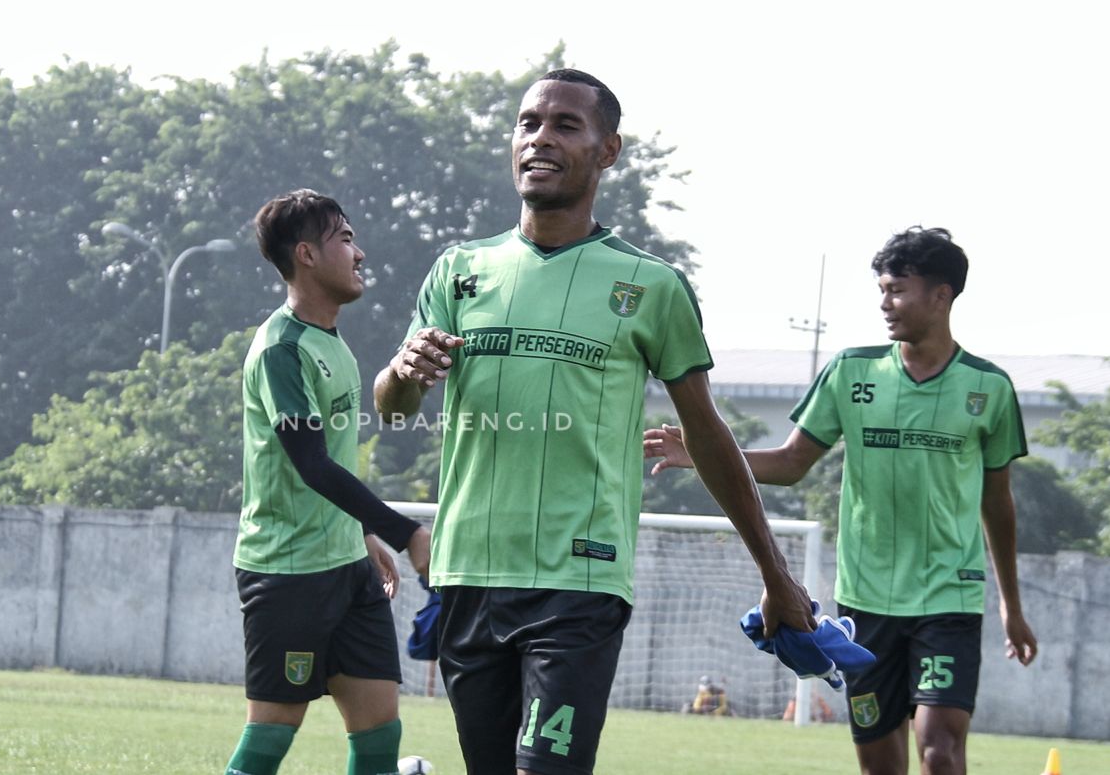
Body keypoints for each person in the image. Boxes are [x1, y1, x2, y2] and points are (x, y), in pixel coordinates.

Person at [373, 69, 814, 775]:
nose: (540, 138)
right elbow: (393, 410)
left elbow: (707, 434)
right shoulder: (460, 270)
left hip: (578, 581)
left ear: (607, 151)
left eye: (565, 125)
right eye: (528, 123)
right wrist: (402, 370)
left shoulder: (651, 287)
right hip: (467, 574)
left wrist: (775, 571)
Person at [646, 226, 1038, 775]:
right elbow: (791, 463)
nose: (885, 303)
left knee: (940, 748)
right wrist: (701, 454)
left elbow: (998, 504)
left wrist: (1011, 607)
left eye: (898, 290)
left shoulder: (989, 388)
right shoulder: (852, 372)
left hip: (950, 598)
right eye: (881, 290)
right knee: (881, 766)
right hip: (866, 598)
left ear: (941, 295)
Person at [225, 189, 432, 775]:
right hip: (287, 572)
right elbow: (310, 464)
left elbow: (329, 469)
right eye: (345, 239)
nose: (359, 252)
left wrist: (361, 532)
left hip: (346, 568)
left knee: (378, 733)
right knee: (269, 737)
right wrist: (404, 533)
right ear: (307, 255)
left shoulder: (331, 342)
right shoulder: (281, 351)